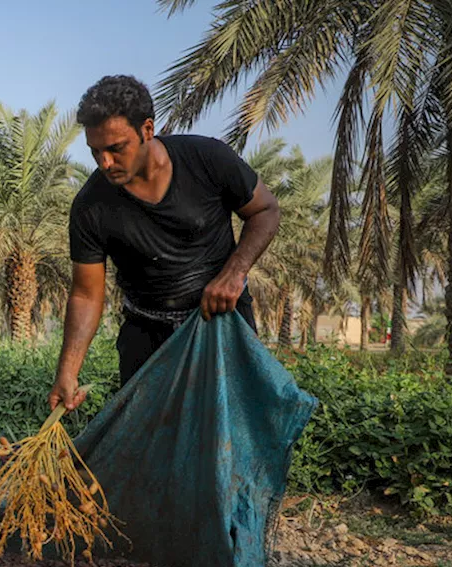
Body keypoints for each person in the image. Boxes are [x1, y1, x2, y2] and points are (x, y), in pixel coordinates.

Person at [48, 75, 281, 412]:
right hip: (146, 336)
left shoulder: (207, 159)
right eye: (95, 151)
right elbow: (86, 295)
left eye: (116, 148)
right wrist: (67, 373)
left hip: (220, 324)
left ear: (147, 129)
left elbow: (265, 209)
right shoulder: (91, 206)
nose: (104, 163)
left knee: (231, 435)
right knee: (147, 444)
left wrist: (234, 274)